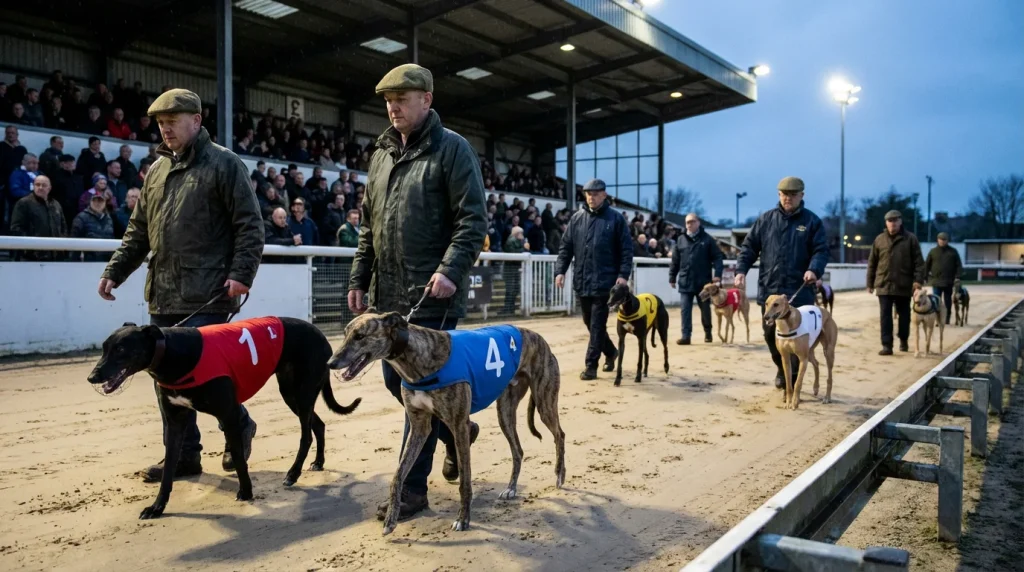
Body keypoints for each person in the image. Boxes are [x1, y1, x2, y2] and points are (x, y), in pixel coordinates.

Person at [97, 89, 265, 483]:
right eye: (160, 123)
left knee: (209, 378)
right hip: (164, 292)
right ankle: (185, 456)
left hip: (210, 293)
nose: (166, 129)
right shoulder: (156, 171)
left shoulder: (225, 164)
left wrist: (241, 274)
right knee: (167, 381)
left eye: (173, 121)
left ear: (196, 120)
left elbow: (249, 225)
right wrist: (115, 271)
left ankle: (237, 427)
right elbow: (138, 232)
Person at [347, 64, 487, 522]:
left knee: (416, 392)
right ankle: (457, 430)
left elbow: (473, 222)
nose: (393, 107)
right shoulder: (381, 155)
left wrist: (450, 270)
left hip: (433, 299)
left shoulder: (453, 150)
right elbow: (369, 228)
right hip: (389, 298)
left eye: (401, 99)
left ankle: (411, 492)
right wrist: (357, 279)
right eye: (387, 100)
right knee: (397, 383)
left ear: (426, 99)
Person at [735, 176, 828, 388]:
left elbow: (821, 251)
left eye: (793, 195)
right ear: (779, 195)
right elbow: (749, 248)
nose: (788, 198)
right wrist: (741, 271)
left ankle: (793, 377)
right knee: (771, 336)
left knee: (798, 337)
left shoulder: (812, 222)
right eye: (785, 194)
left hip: (799, 291)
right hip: (770, 290)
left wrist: (814, 269)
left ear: (801, 196)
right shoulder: (765, 220)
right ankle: (781, 368)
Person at [554, 178, 632, 380]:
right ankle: (611, 352)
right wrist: (560, 271)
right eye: (588, 194)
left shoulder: (616, 219)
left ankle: (591, 366)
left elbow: (626, 250)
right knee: (589, 323)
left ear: (604, 195)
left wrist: (623, 276)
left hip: (605, 284)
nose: (591, 197)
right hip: (582, 281)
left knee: (597, 325)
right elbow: (566, 248)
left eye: (595, 194)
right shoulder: (577, 219)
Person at [866, 210, 925, 355]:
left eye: (895, 220)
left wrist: (918, 281)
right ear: (886, 223)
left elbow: (919, 262)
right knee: (885, 316)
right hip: (884, 284)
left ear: (900, 221)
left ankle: (903, 340)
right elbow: (872, 262)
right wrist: (870, 283)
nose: (892, 223)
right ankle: (887, 345)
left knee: (904, 316)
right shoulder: (879, 239)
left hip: (903, 284)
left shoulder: (910, 239)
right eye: (889, 221)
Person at [669, 212, 724, 344]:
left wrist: (717, 275)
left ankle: (708, 333)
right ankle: (686, 336)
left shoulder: (707, 239)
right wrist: (672, 277)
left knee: (705, 309)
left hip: (703, 283)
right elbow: (675, 261)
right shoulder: (680, 240)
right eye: (687, 222)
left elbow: (718, 257)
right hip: (685, 281)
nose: (689, 224)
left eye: (692, 221)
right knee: (685, 310)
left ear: (698, 223)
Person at [9, 174, 66, 260]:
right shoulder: (24, 203)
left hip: (55, 256)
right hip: (30, 256)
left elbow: (63, 227)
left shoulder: (56, 204)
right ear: (33, 186)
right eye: (37, 184)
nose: (40, 187)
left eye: (44, 185)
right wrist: (29, 248)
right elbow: (16, 228)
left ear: (49, 188)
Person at [924, 232, 963, 325]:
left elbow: (959, 265)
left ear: (947, 241)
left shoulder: (953, 252)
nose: (942, 241)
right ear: (938, 240)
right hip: (936, 281)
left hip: (948, 281)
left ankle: (947, 318)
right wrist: (924, 277)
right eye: (941, 239)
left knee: (947, 301)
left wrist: (958, 276)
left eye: (944, 240)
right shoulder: (933, 251)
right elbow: (926, 265)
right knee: (936, 301)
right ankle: (938, 319)